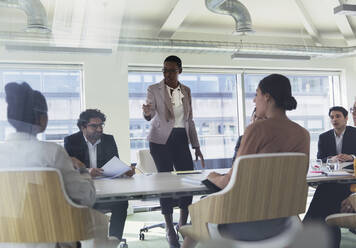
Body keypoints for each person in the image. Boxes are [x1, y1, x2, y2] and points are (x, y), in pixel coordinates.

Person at [182, 74, 310, 248]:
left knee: (199, 210)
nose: (253, 100)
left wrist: (212, 176)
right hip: (283, 222)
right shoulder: (303, 134)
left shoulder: (256, 129)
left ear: (267, 97)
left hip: (241, 222)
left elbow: (230, 181)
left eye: (256, 94)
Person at [0, 82, 99, 248]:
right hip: (53, 242)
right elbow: (87, 197)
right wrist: (82, 170)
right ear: (42, 119)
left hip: (2, 243)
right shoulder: (52, 154)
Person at [142, 55, 204, 248]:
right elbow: (150, 113)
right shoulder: (154, 89)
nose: (167, 74)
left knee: (188, 180)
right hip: (160, 140)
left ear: (180, 71)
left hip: (180, 138)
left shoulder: (186, 90)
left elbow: (189, 120)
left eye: (172, 70)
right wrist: (146, 112)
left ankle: (183, 222)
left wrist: (196, 146)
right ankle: (169, 227)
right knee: (165, 182)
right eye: (165, 70)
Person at [64, 109, 134, 241]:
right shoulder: (71, 141)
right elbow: (67, 170)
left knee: (122, 202)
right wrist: (87, 171)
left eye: (101, 125)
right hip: (84, 190)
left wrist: (125, 170)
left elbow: (115, 163)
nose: (99, 129)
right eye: (94, 126)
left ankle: (114, 240)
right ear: (83, 127)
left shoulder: (108, 140)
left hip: (107, 189)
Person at [304, 106, 356, 248]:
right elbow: (320, 159)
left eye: (338, 116)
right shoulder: (324, 137)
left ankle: (308, 226)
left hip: (350, 181)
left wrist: (351, 157)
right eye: (332, 117)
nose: (334, 119)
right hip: (332, 180)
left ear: (346, 118)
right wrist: (331, 159)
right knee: (326, 191)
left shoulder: (355, 133)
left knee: (324, 196)